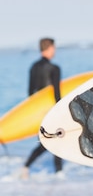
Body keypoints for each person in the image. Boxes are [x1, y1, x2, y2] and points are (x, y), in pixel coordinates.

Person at [21, 38, 63, 178]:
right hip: (51, 111)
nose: (55, 51)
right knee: (55, 140)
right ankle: (58, 173)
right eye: (54, 48)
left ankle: (26, 167)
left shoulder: (33, 67)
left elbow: (30, 93)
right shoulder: (55, 68)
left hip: (39, 112)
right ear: (50, 48)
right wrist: (62, 111)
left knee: (49, 141)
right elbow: (57, 94)